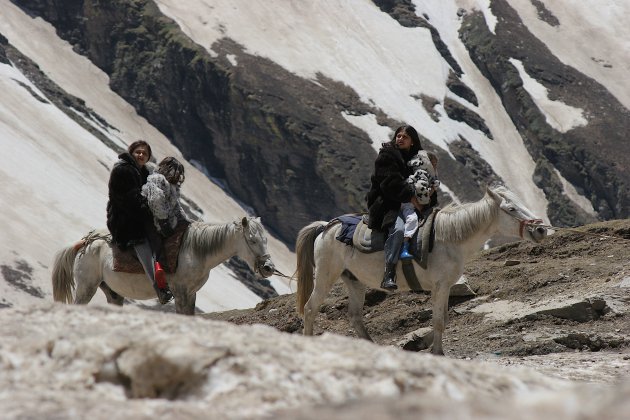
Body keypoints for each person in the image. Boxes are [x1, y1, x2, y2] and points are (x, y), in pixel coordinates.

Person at [106, 140, 173, 304]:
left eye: (145, 153)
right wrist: (149, 208)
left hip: (140, 216)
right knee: (142, 244)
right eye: (138, 152)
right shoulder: (122, 171)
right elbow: (127, 199)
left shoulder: (145, 173)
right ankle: (159, 287)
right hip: (124, 219)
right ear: (131, 152)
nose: (141, 155)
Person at [366, 125, 423, 290]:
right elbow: (390, 185)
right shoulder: (387, 156)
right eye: (398, 136)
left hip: (408, 203)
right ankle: (389, 273)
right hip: (387, 204)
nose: (400, 139)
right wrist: (412, 196)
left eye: (405, 137)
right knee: (398, 229)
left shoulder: (416, 159)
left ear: (412, 141)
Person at [399, 150, 440, 259]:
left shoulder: (423, 175)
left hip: (412, 203)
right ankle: (404, 247)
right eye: (434, 164)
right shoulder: (422, 175)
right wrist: (432, 190)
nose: (435, 168)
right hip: (408, 204)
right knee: (412, 219)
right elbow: (422, 196)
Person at [141, 156, 189, 239]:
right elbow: (156, 199)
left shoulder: (173, 188)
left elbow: (176, 206)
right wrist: (163, 222)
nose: (176, 175)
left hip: (160, 224)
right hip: (147, 219)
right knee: (156, 247)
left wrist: (185, 221)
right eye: (175, 171)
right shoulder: (157, 179)